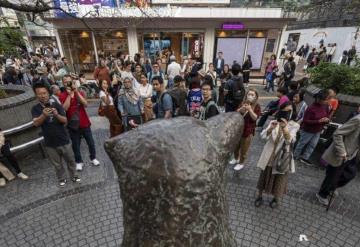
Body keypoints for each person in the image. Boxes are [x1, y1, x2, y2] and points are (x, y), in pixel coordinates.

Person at [31, 82, 80, 187]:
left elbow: (65, 121)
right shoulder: (35, 109)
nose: (42, 95)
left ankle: (74, 175)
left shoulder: (56, 105)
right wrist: (43, 115)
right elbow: (35, 123)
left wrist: (57, 114)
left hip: (63, 139)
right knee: (57, 164)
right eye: (39, 93)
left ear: (48, 93)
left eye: (44, 93)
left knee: (71, 160)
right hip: (50, 142)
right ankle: (61, 178)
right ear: (36, 95)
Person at [255, 102, 299, 208]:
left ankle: (276, 198)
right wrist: (270, 128)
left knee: (279, 178)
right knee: (264, 176)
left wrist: (284, 128)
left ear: (293, 112)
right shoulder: (274, 122)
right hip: (269, 154)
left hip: (282, 156)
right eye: (285, 110)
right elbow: (263, 136)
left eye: (289, 111)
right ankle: (259, 196)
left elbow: (291, 141)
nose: (287, 113)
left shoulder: (294, 125)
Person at [316, 114, 360, 206]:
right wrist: (342, 151)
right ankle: (322, 194)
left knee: (350, 174)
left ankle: (332, 187)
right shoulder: (357, 120)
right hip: (342, 153)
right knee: (332, 175)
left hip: (352, 154)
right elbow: (338, 133)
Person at [59, 75, 100, 171]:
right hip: (73, 124)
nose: (67, 83)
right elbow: (65, 108)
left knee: (91, 142)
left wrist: (75, 92)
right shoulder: (62, 95)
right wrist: (69, 95)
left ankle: (93, 158)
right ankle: (79, 161)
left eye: (69, 81)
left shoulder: (80, 92)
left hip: (84, 122)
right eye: (65, 82)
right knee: (76, 145)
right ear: (63, 83)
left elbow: (85, 104)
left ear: (73, 82)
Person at [294, 90, 330, 165]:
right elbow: (305, 120)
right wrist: (318, 121)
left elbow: (327, 115)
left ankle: (305, 157)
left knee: (312, 145)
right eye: (325, 99)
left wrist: (326, 120)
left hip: (318, 130)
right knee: (302, 143)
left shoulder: (325, 106)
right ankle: (295, 156)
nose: (327, 101)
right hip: (308, 129)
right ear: (319, 99)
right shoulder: (311, 108)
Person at [230, 89, 261, 171]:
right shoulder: (243, 103)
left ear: (255, 97)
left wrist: (250, 109)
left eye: (252, 95)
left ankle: (241, 163)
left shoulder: (257, 106)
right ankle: (236, 158)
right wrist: (241, 109)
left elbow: (255, 118)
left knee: (244, 149)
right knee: (236, 147)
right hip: (238, 129)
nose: (250, 96)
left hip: (248, 131)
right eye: (249, 94)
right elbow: (236, 112)